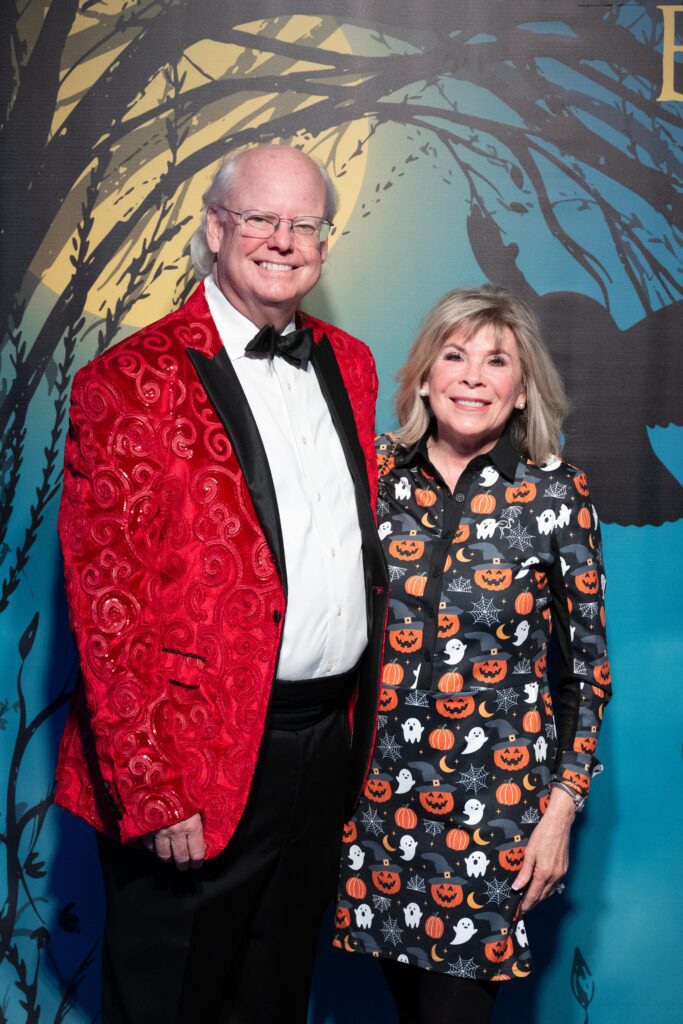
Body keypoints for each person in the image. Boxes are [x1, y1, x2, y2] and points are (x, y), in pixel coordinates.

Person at [55, 144, 388, 1024]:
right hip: (194, 761)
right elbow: (106, 604)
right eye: (261, 220)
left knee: (274, 1000)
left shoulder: (349, 364)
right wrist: (154, 785)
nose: (284, 241)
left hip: (323, 747)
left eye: (304, 224)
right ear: (214, 230)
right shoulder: (125, 381)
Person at [334, 286, 611, 1023]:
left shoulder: (556, 494)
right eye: (452, 356)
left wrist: (558, 813)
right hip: (372, 806)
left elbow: (587, 674)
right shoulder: (372, 477)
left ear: (520, 392)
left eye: (496, 362)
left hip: (494, 816)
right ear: (424, 375)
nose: (471, 376)